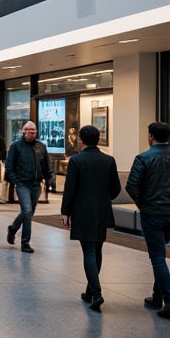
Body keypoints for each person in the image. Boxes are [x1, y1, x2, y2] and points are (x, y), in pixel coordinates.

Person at [126, 121, 170, 318]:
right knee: (160, 253)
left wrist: (143, 204)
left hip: (152, 214)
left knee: (157, 256)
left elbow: (132, 186)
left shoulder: (143, 158)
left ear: (150, 136)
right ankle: (156, 297)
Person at [60, 124, 120, 311]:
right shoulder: (109, 160)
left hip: (83, 211)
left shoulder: (76, 161)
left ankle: (97, 293)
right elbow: (116, 188)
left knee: (88, 251)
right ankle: (89, 291)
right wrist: (103, 197)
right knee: (97, 248)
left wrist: (66, 211)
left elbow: (70, 189)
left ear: (81, 139)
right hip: (101, 210)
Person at [4, 121, 50, 253]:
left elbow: (46, 165)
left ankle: (13, 228)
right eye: (29, 130)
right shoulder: (16, 146)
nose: (31, 132)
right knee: (28, 211)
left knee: (28, 212)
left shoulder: (41, 146)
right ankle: (25, 242)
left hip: (36, 185)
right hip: (23, 184)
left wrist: (49, 179)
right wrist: (16, 180)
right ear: (24, 131)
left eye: (34, 130)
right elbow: (9, 166)